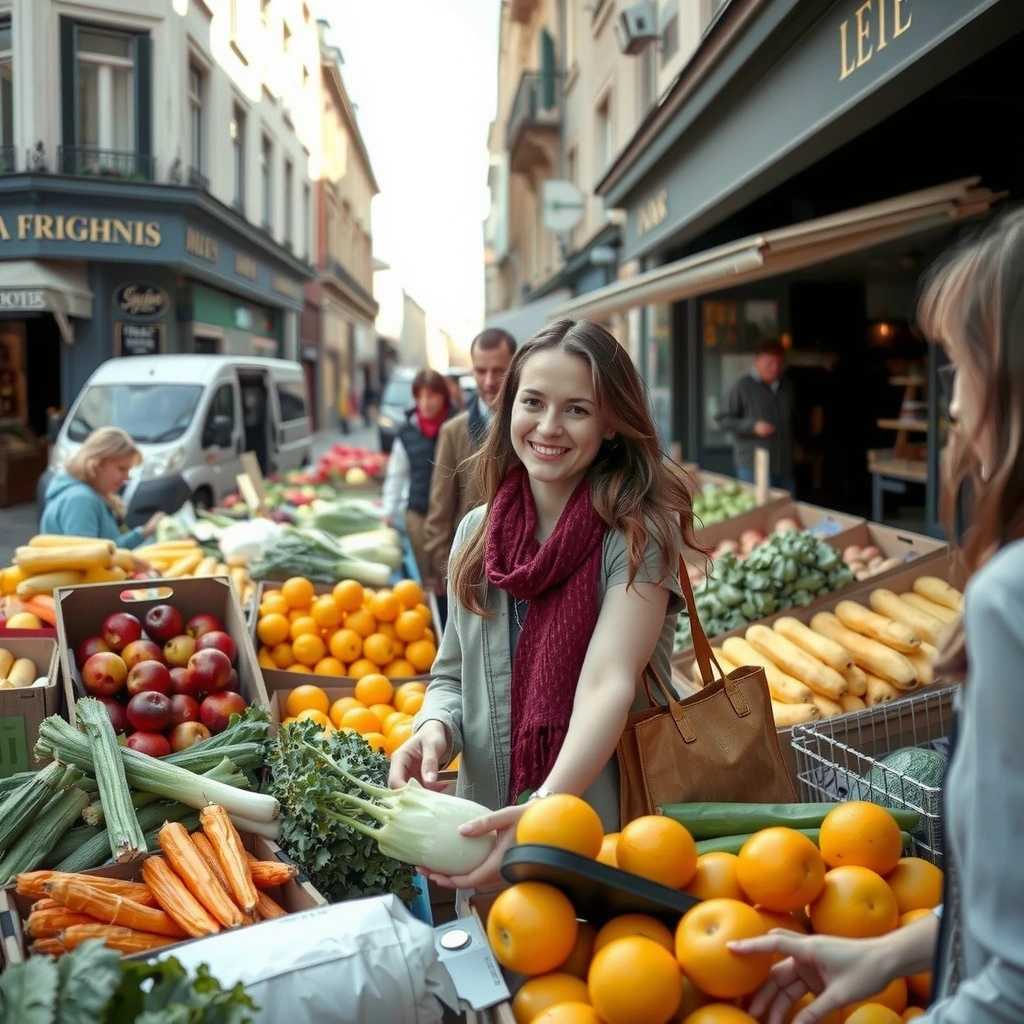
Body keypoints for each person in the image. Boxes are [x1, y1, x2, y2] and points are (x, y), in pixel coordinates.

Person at [730, 209, 1024, 1023]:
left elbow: (1011, 988)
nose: (952, 405)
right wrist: (891, 952)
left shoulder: (1007, 597)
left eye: (960, 365)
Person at [389, 318, 700, 893]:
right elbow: (452, 676)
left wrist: (542, 811)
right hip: (482, 832)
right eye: (533, 402)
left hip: (601, 841)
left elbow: (608, 683)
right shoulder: (476, 535)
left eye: (577, 409)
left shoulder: (637, 537)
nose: (549, 427)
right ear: (508, 406)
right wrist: (433, 730)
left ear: (611, 423)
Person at [423, 328, 517, 594]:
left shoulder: (533, 427)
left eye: (498, 371)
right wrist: (447, 574)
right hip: (470, 574)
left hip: (523, 570)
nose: (488, 382)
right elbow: (439, 513)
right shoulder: (453, 432)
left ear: (515, 368)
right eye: (480, 371)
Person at [381, 368, 452, 584]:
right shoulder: (407, 432)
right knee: (426, 577)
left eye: (431, 396)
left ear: (443, 396)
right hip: (417, 512)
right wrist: (388, 510)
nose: (425, 403)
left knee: (450, 575)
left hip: (450, 516)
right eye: (420, 396)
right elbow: (396, 475)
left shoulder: (458, 426)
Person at [40, 426, 164, 549]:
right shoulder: (80, 499)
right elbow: (88, 556)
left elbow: (106, 549)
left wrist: (144, 533)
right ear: (96, 464)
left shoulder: (87, 494)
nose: (127, 477)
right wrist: (142, 534)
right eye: (121, 469)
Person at [716, 338, 796, 494]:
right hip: (752, 466)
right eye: (769, 363)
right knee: (758, 508)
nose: (775, 369)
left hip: (784, 466)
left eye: (779, 364)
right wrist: (753, 427)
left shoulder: (787, 388)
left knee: (787, 507)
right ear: (757, 360)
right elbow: (722, 420)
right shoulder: (742, 386)